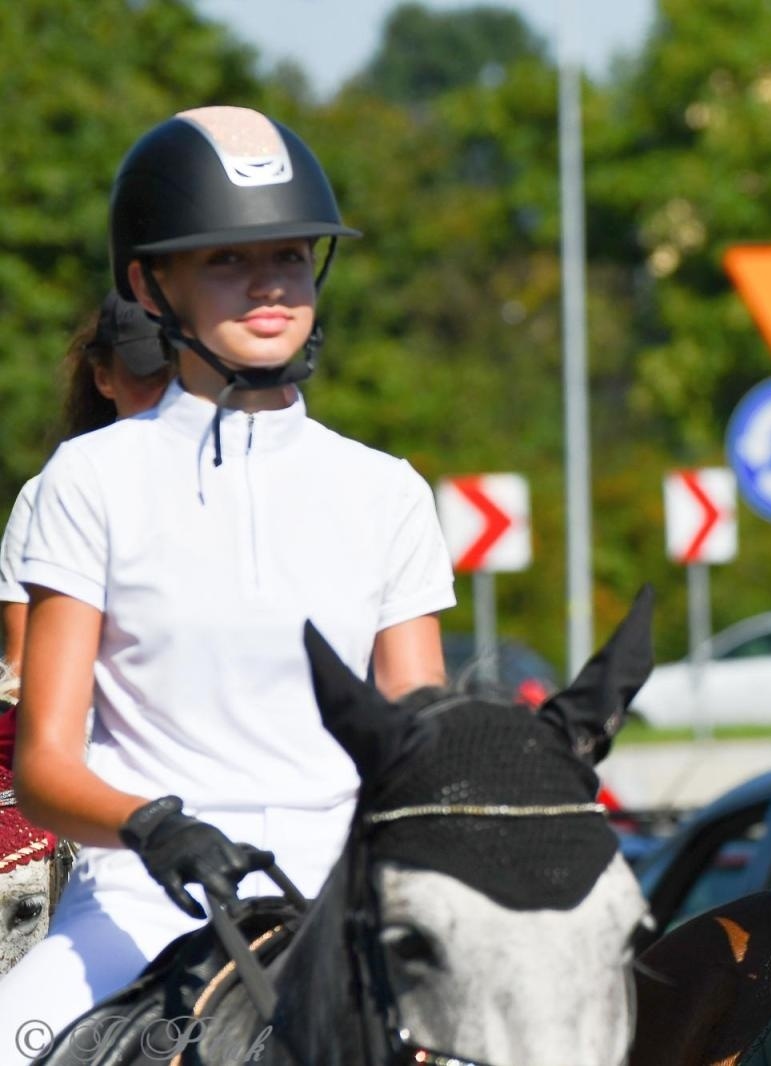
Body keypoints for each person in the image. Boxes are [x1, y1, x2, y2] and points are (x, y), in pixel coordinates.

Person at [0, 105, 456, 1057]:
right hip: (138, 902)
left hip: (344, 903)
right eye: (226, 261)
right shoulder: (87, 481)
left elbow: (419, 738)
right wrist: (155, 826)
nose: (268, 286)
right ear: (149, 283)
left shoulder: (388, 492)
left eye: (290, 257)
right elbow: (44, 764)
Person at [0, 292, 174, 686]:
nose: (167, 395)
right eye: (148, 377)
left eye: (179, 377)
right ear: (103, 379)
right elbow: (22, 669)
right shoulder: (53, 493)